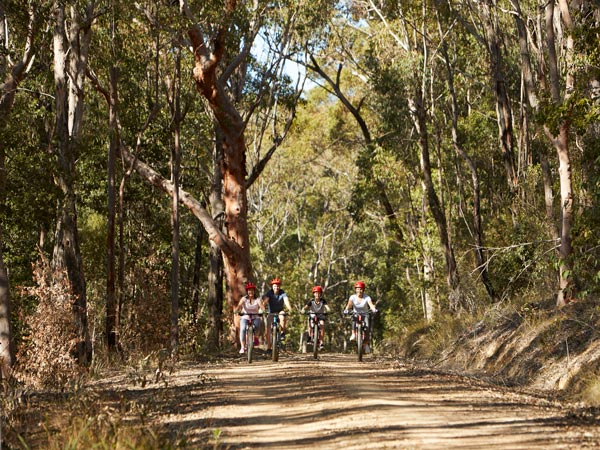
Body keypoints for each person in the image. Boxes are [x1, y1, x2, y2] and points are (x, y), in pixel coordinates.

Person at [344, 280, 377, 352]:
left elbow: (370, 304)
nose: (359, 290)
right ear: (355, 289)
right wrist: (346, 309)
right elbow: (349, 305)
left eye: (361, 289)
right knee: (353, 320)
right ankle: (353, 334)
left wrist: (374, 309)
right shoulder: (352, 297)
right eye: (358, 289)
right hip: (355, 313)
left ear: (363, 290)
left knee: (367, 328)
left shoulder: (367, 297)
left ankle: (365, 344)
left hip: (365, 314)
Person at [262, 277, 292, 350]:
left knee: (282, 315)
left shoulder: (282, 292)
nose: (276, 287)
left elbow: (286, 301)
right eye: (275, 286)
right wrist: (262, 309)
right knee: (268, 330)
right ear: (272, 286)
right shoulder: (269, 293)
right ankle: (269, 348)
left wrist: (290, 309)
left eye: (278, 285)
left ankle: (282, 333)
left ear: (280, 286)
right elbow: (265, 302)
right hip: (271, 312)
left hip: (279, 311)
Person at [235, 282, 263, 354]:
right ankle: (242, 347)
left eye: (252, 290)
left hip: (255, 316)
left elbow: (262, 307)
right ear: (247, 291)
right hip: (245, 316)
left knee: (257, 325)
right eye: (249, 290)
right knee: (243, 329)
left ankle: (255, 337)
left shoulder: (257, 299)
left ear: (254, 291)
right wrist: (236, 311)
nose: (251, 292)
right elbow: (239, 306)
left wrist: (263, 311)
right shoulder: (244, 299)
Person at [302, 285, 330, 350]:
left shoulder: (323, 301)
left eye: (319, 293)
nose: (317, 294)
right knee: (310, 324)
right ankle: (309, 337)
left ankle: (321, 342)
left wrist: (328, 310)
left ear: (321, 294)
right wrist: (303, 310)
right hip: (312, 314)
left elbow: (327, 307)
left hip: (321, 315)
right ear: (314, 294)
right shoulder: (311, 301)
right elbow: (306, 307)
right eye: (316, 293)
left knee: (322, 324)